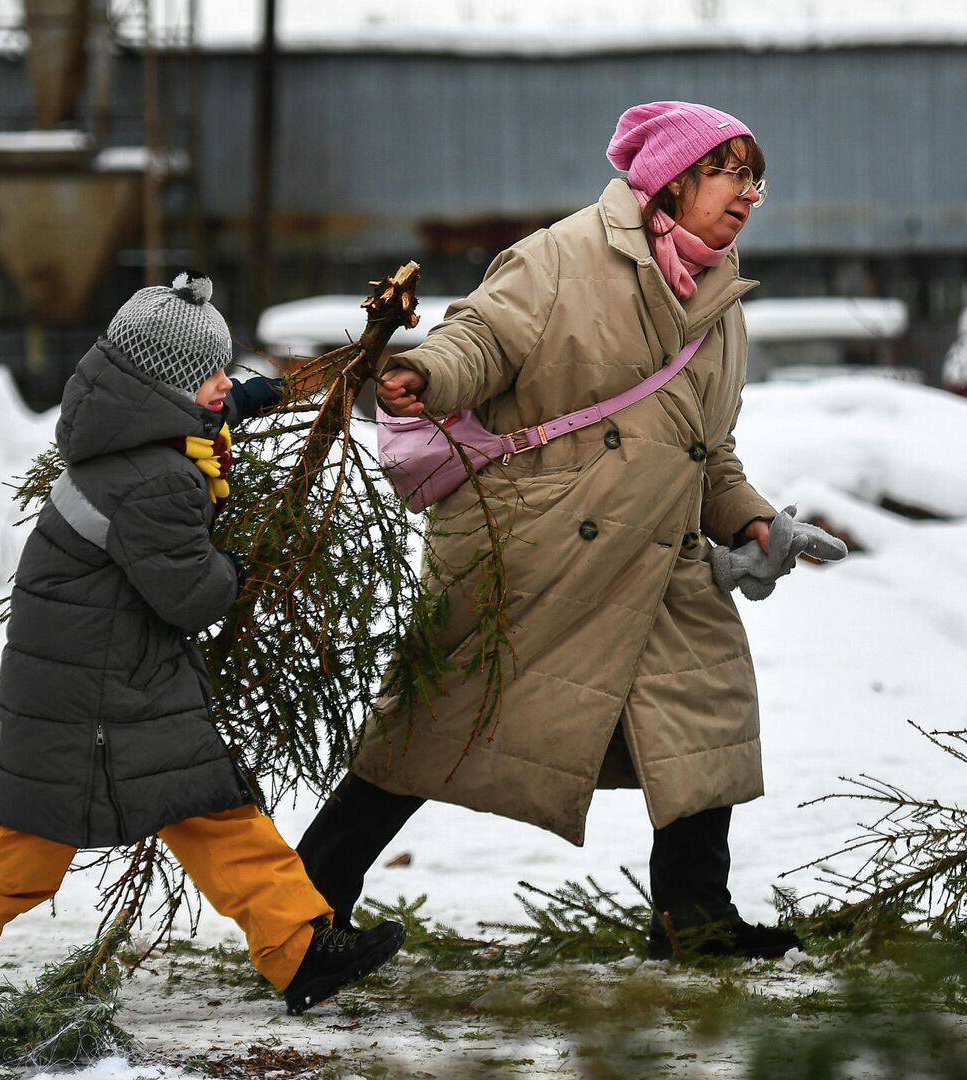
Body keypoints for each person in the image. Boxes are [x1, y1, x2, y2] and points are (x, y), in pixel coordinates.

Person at [297, 101, 846, 960]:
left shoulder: (720, 292)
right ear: (671, 178)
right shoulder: (562, 255)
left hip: (657, 552)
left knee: (704, 713)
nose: (748, 195)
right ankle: (305, 908)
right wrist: (422, 374)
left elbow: (705, 449)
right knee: (432, 728)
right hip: (537, 543)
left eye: (755, 179)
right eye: (730, 172)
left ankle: (695, 917)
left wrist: (758, 519)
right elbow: (477, 337)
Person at [0, 273, 405, 1020]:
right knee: (35, 846)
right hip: (98, 689)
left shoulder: (128, 434)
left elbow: (191, 432)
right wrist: (241, 568)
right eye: (212, 375)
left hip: (105, 672)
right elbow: (189, 595)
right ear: (168, 386)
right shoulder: (156, 480)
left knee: (213, 810)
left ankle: (301, 948)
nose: (224, 384)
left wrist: (248, 399)